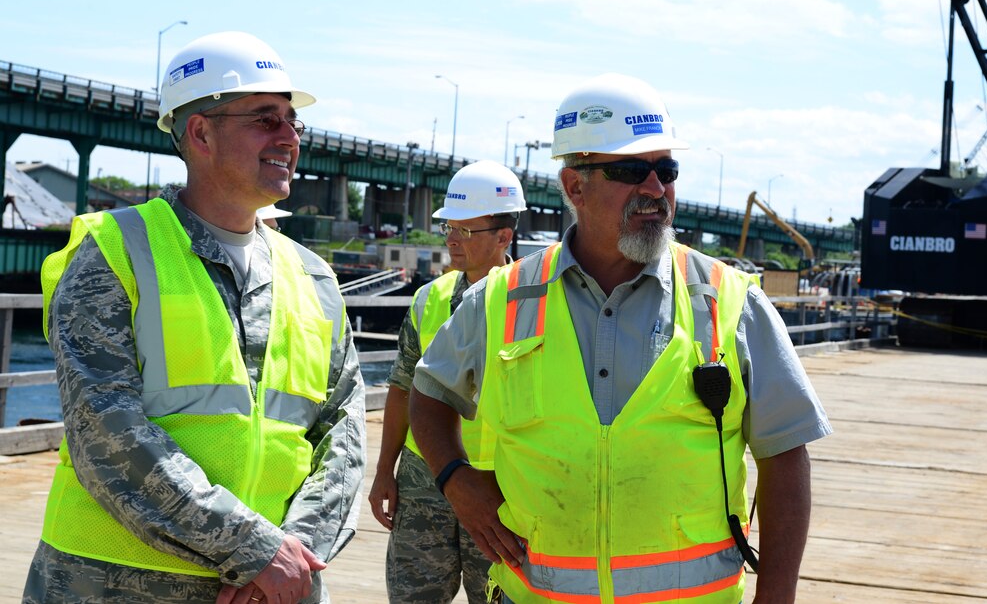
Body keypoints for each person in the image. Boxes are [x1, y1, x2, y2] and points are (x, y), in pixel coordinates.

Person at [409, 73, 832, 604]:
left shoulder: (728, 301)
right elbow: (427, 394)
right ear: (574, 187)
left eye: (666, 170)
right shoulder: (503, 298)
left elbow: (785, 452)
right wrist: (455, 479)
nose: (656, 189)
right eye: (632, 170)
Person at [23, 31, 367, 604]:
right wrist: (255, 550)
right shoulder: (115, 253)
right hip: (112, 584)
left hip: (275, 587)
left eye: (292, 121)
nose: (289, 136)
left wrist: (294, 555)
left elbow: (345, 433)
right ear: (200, 131)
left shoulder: (313, 277)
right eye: (265, 118)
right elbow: (105, 431)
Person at [370, 160, 527, 603]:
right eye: (448, 228)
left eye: (466, 230)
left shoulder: (535, 305)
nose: (453, 240)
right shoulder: (429, 299)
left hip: (500, 488)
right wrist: (384, 471)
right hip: (425, 480)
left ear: (503, 236)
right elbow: (402, 388)